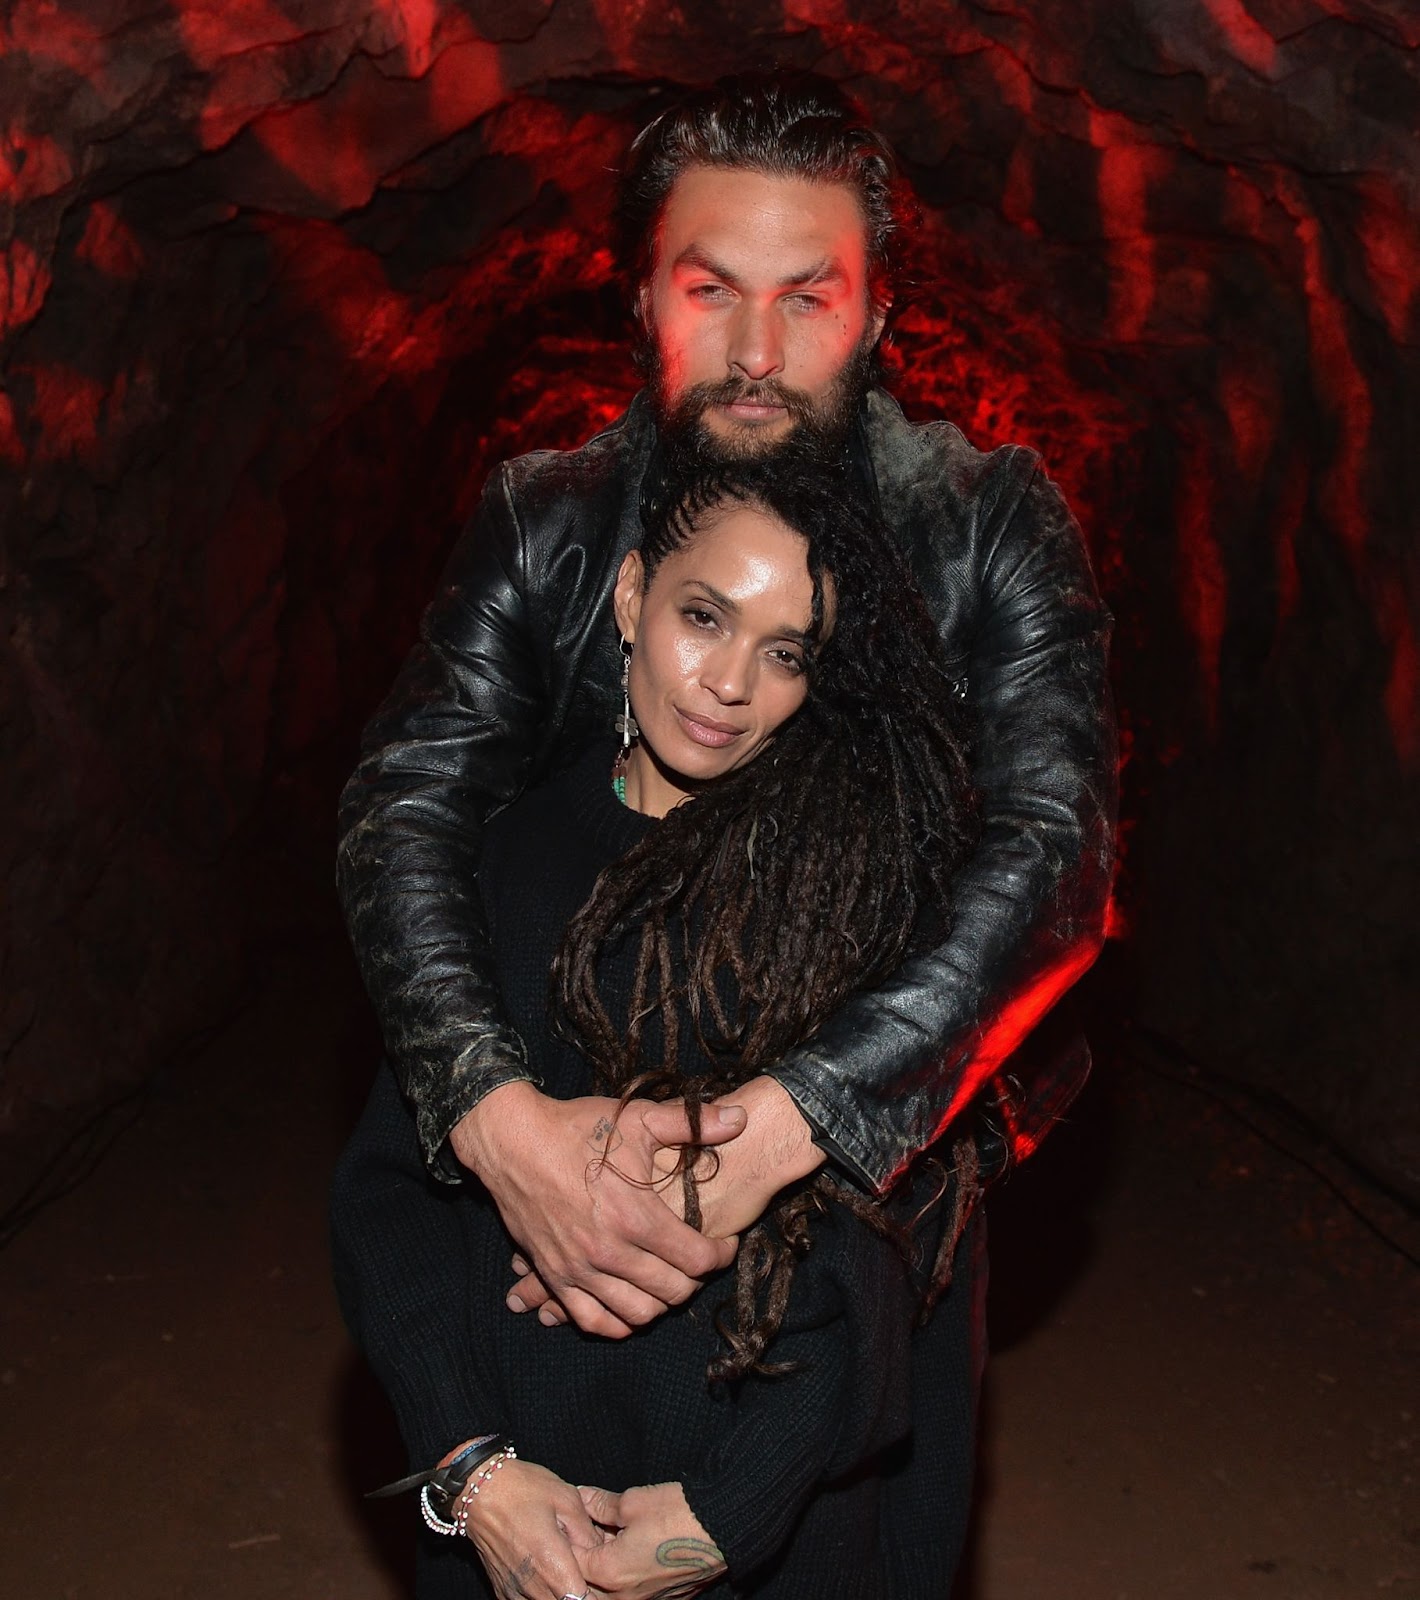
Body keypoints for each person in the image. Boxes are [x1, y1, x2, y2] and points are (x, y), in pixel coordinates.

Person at [335, 64, 1115, 1583]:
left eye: (809, 298)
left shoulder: (988, 523)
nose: (757, 353)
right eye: (711, 289)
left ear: (879, 317)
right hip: (546, 1230)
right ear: (642, 300)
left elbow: (1056, 846)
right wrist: (501, 1126)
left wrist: (797, 1123)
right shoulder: (551, 520)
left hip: (874, 1234)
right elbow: (411, 801)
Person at [333, 456, 987, 1600]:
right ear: (632, 596)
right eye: (703, 615)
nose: (729, 682)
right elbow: (389, 1204)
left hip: (770, 1545)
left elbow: (898, 1259)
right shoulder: (494, 861)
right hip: (518, 1542)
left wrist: (717, 1523)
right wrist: (480, 1480)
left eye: (785, 651)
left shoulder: (854, 899)